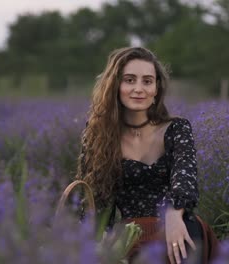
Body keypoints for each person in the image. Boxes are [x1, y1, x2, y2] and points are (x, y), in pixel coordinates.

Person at [76, 47, 211, 264]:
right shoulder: (97, 136)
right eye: (129, 80)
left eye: (147, 81)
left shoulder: (177, 129)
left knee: (183, 248)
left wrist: (175, 213)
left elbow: (185, 179)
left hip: (178, 223)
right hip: (131, 234)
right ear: (116, 85)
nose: (139, 89)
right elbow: (96, 199)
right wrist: (96, 243)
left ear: (156, 88)